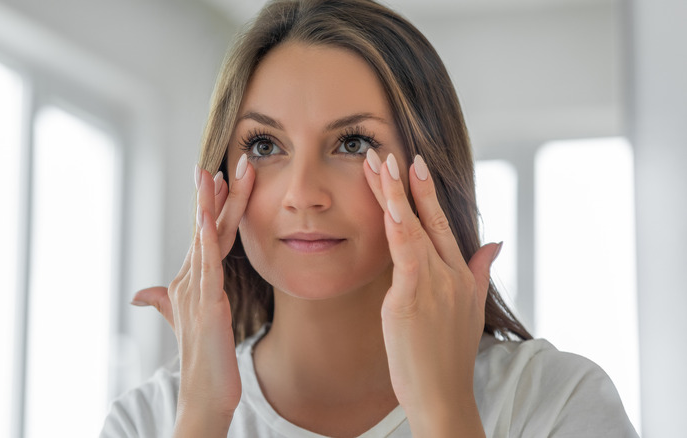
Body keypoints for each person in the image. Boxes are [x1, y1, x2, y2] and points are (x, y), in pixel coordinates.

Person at [100, 0, 638, 436]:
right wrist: (202, 414)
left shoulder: (556, 402)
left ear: (427, 168)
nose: (303, 194)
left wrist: (444, 411)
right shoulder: (145, 422)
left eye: (353, 143)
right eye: (264, 145)